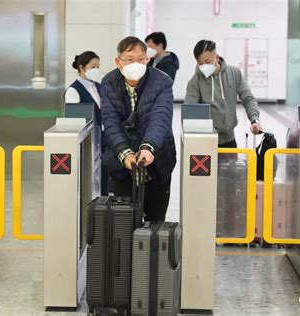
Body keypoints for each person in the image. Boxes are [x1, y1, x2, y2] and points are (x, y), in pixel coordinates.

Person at [101, 36, 176, 221]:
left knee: (155, 221)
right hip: (121, 163)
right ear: (118, 62)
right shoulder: (109, 82)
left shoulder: (162, 82)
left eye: (140, 59)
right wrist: (125, 153)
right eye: (129, 59)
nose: (136, 64)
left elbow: (161, 119)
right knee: (124, 222)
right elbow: (110, 123)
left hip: (157, 160)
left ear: (147, 60)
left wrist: (148, 147)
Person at [184, 39, 263, 147]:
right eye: (200, 63)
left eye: (207, 62)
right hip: (206, 141)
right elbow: (190, 111)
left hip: (229, 139)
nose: (203, 66)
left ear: (216, 57)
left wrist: (255, 119)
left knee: (230, 164)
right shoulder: (195, 81)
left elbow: (248, 98)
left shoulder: (234, 74)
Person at [64, 51, 109, 195]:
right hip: (88, 141)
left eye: (98, 66)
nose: (96, 70)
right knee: (89, 174)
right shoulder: (73, 90)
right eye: (93, 66)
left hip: (101, 138)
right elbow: (74, 118)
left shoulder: (97, 86)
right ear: (82, 68)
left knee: (102, 173)